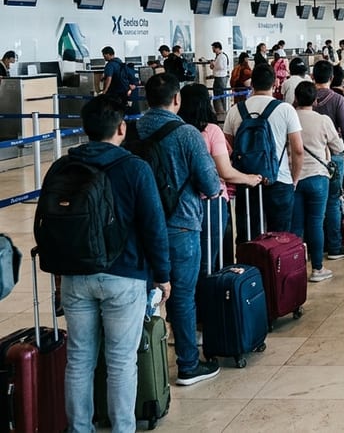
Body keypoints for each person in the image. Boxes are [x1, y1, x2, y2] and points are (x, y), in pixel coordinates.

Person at [55, 95, 171, 431]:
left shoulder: (64, 166)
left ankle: (80, 428)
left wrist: (59, 275)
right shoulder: (135, 168)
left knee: (79, 359)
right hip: (125, 275)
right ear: (121, 128)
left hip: (77, 275)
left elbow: (55, 224)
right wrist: (162, 276)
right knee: (121, 362)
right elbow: (153, 226)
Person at [133, 74, 223, 386]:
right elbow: (210, 184)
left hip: (140, 226)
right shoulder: (187, 134)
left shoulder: (134, 128)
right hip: (181, 224)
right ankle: (187, 364)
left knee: (143, 295)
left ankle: (141, 366)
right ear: (177, 100)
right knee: (183, 296)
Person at [177, 83, 263, 274]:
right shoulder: (211, 130)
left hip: (181, 205)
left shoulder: (177, 131)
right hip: (211, 203)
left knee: (189, 263)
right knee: (211, 260)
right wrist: (248, 178)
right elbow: (224, 171)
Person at [222, 64, 304, 233]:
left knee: (248, 236)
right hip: (280, 180)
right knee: (280, 237)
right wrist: (294, 179)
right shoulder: (286, 109)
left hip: (246, 181)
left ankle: (250, 260)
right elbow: (298, 150)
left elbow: (228, 149)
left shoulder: (235, 111)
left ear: (252, 84)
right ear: (275, 83)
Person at [292, 81, 344, 283]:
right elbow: (338, 147)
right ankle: (317, 269)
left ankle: (294, 270)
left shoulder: (289, 117)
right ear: (315, 100)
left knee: (296, 225)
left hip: (293, 177)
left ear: (296, 98)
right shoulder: (322, 120)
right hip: (318, 177)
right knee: (315, 223)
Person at [311, 61, 344, 262]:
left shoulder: (304, 98)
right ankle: (335, 245)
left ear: (313, 77)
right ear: (331, 78)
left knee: (313, 205)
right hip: (334, 156)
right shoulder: (337, 99)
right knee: (333, 199)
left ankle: (314, 248)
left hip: (310, 158)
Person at [208, 42, 231, 115]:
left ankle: (223, 110)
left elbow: (222, 67)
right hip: (217, 77)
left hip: (221, 77)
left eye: (213, 48)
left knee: (221, 94)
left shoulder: (222, 56)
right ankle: (218, 109)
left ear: (217, 48)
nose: (213, 50)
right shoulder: (217, 56)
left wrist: (214, 64)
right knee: (217, 93)